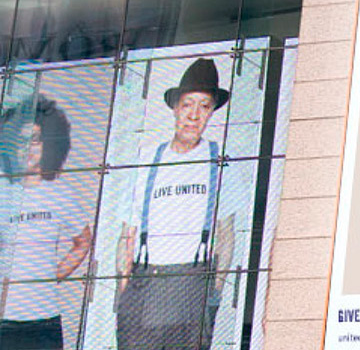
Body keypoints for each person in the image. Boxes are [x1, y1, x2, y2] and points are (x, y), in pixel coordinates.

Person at [115, 58, 235, 348]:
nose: (194, 115)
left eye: (204, 106)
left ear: (211, 113)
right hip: (145, 284)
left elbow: (227, 236)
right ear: (175, 108)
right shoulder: (147, 161)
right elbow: (126, 236)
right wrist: (123, 290)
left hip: (192, 287)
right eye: (187, 104)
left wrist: (214, 293)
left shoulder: (219, 162)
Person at [0, 97, 91, 350]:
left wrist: (52, 276)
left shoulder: (59, 193)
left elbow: (83, 242)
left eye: (36, 140)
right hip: (4, 321)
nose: (28, 148)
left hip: (45, 320)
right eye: (20, 141)